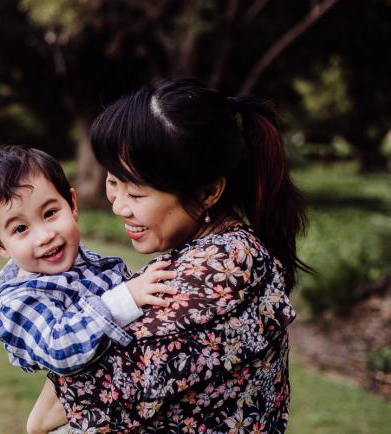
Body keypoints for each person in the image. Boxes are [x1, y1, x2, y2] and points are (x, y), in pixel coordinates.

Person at [41, 78, 310, 433]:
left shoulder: (219, 273)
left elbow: (48, 415)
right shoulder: (233, 253)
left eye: (136, 194)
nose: (118, 206)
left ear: (209, 190)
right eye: (112, 182)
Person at [0, 146, 178, 434]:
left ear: (72, 204)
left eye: (51, 212)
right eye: (19, 229)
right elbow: (60, 347)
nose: (45, 235)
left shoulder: (77, 261)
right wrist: (125, 298)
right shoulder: (17, 302)